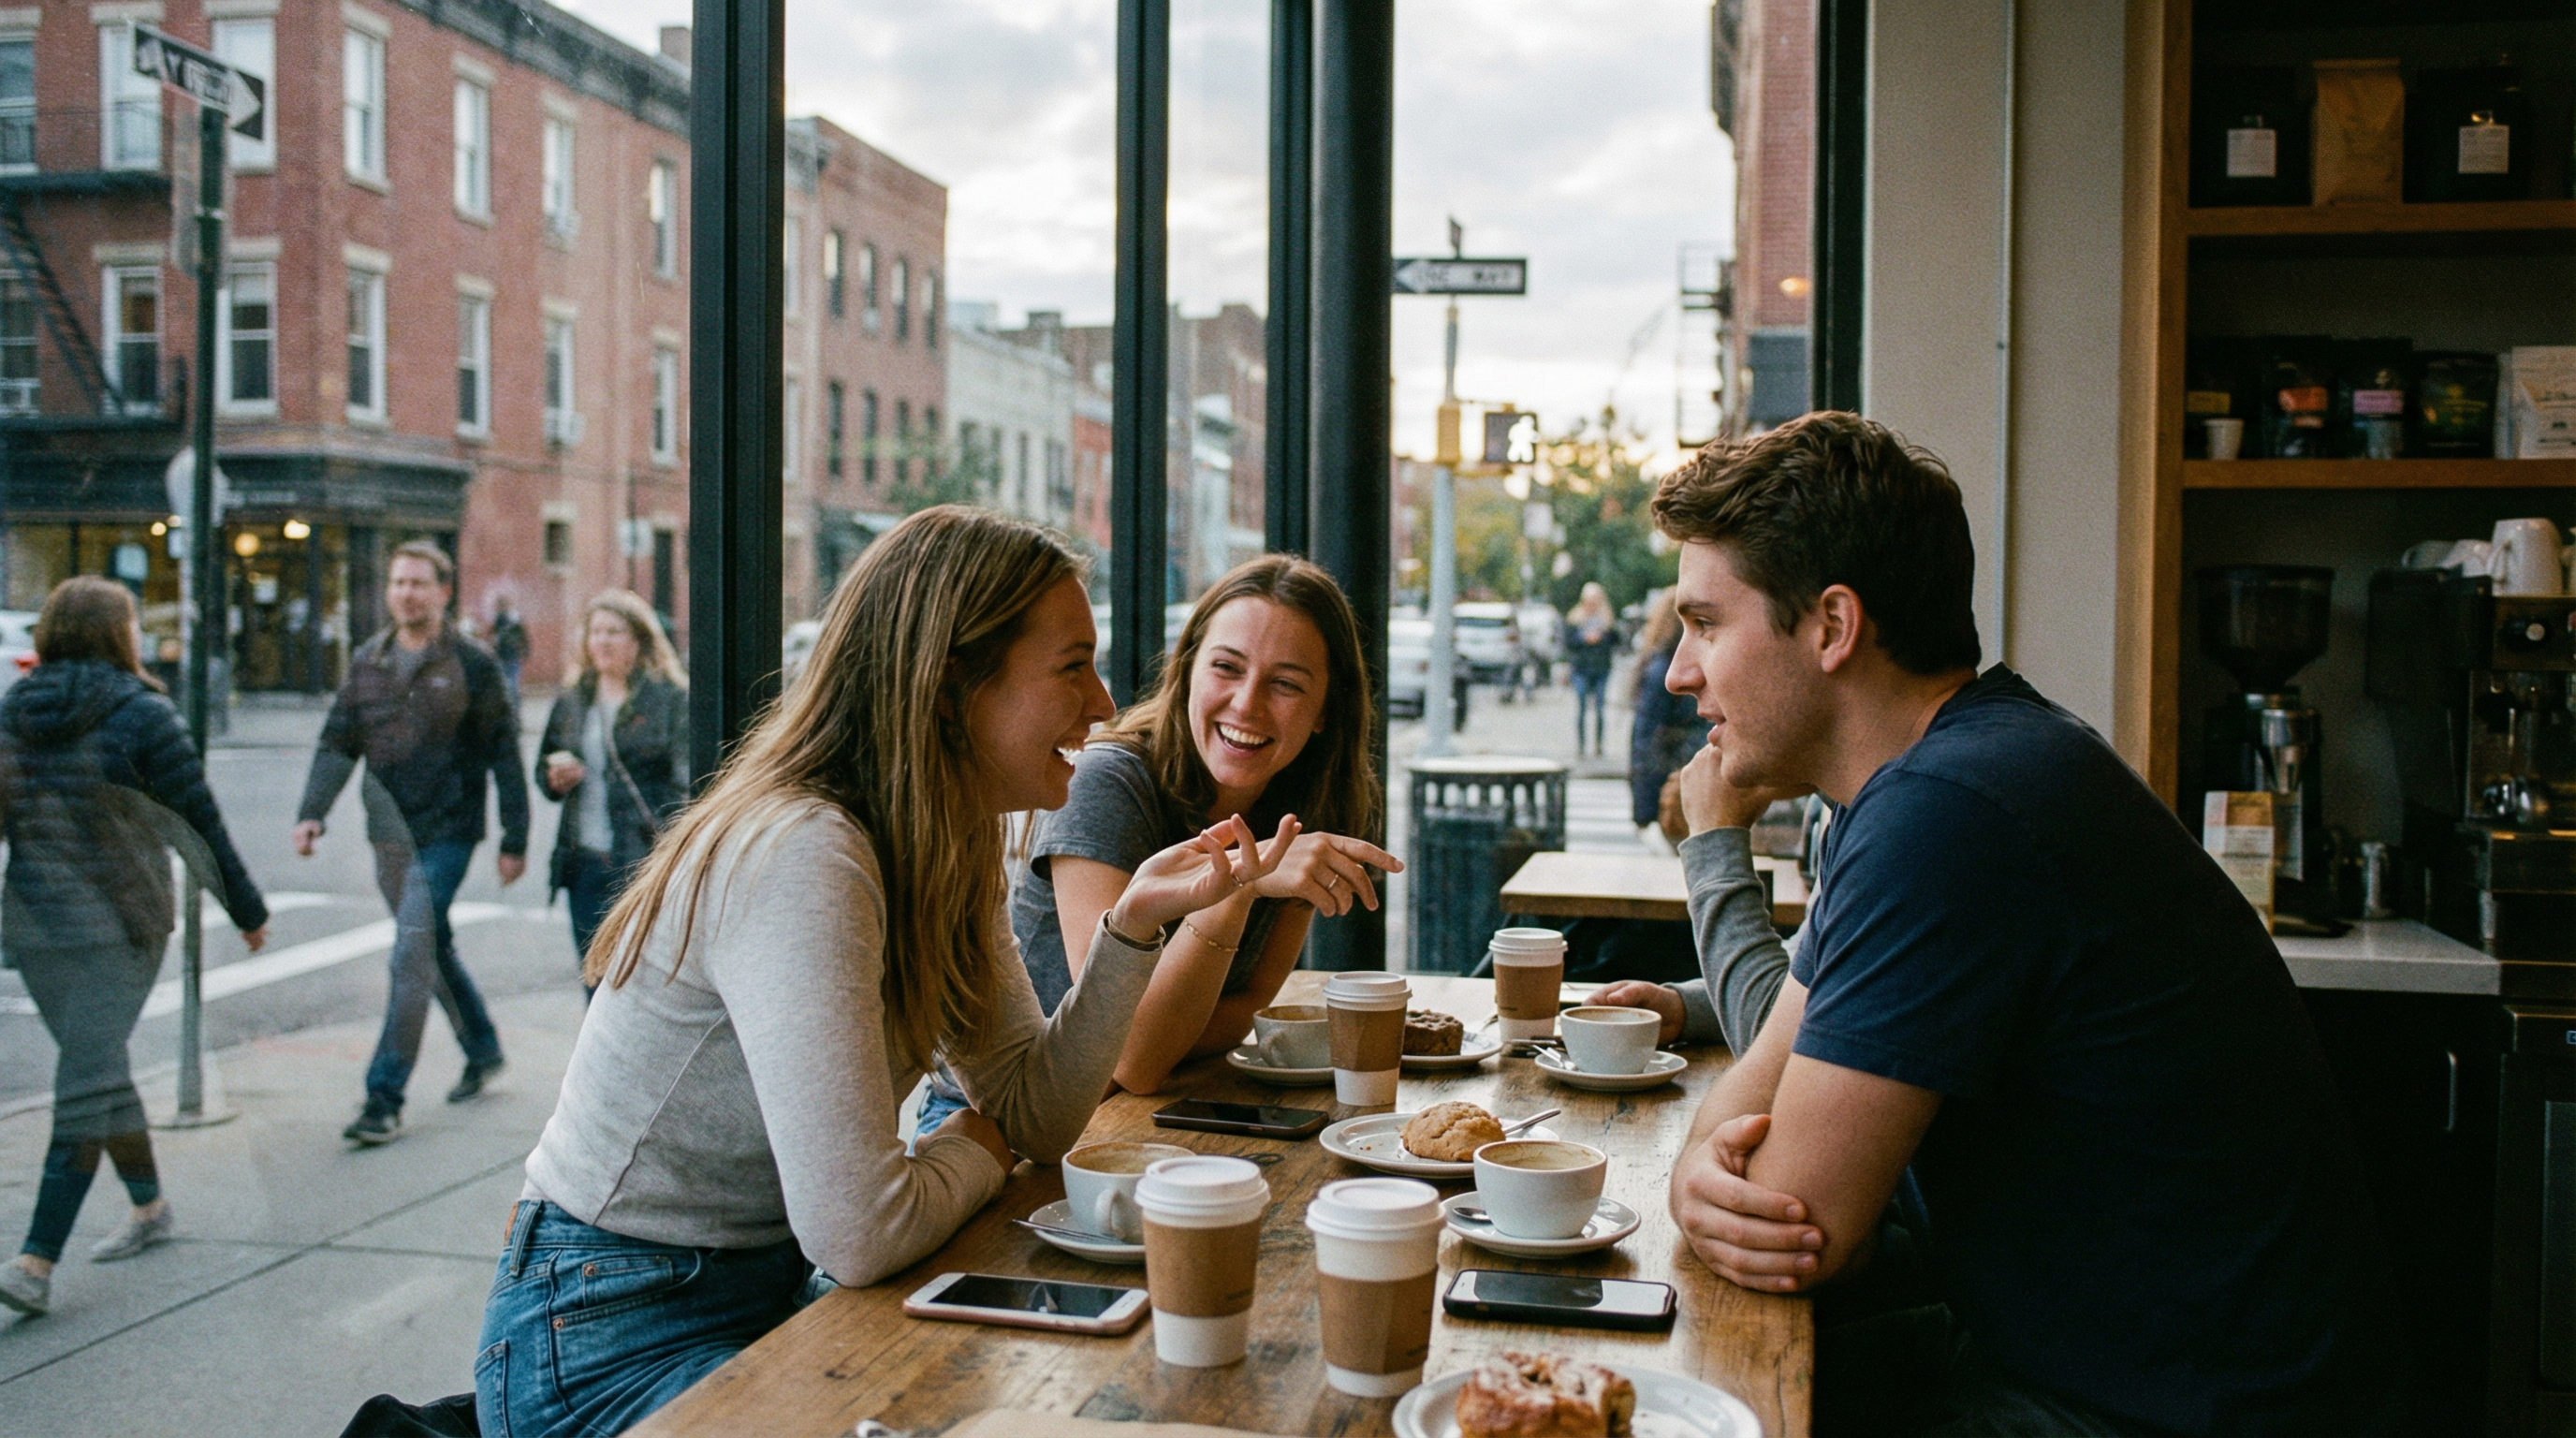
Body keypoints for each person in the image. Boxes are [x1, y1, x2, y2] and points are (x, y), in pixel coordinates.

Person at [1631, 413, 2412, 1434]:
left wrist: (1710, 1171)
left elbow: (1798, 1228)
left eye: (1706, 625)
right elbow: (1757, 1080)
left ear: (1831, 626)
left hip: (2168, 1413)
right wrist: (1698, 1168)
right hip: (2084, 1367)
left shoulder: (1950, 810)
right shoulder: (1942, 777)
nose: (1680, 673)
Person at [475, 506, 1289, 1438]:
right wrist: (975, 1148)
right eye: (1072, 666)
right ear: (950, 685)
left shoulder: (940, 834)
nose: (1103, 704)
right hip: (603, 1335)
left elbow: (1036, 1112)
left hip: (757, 1296)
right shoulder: (804, 854)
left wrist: (1132, 926)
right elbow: (863, 1230)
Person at [916, 555, 1395, 1130]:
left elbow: (1250, 1010)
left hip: (1152, 1109)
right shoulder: (1107, 782)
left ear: (1325, 712)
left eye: (1287, 684)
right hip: (986, 1129)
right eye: (1226, 668)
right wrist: (1241, 886)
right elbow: (1133, 1058)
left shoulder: (1304, 804)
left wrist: (1171, 1030)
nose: (1246, 704)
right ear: (1187, 670)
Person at [0, 580, 269, 1318]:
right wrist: (246, 910)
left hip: (36, 927)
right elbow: (199, 821)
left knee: (86, 1071)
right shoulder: (144, 713)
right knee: (98, 1073)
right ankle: (147, 1209)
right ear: (121, 636)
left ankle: (36, 1257)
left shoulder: (14, 711)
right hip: (125, 925)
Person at [293, 540, 528, 1145]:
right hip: (388, 836)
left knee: (410, 954)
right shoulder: (368, 661)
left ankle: (383, 1097)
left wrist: (515, 836)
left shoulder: (474, 665)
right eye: (399, 582)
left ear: (443, 591)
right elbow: (337, 740)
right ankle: (483, 1047)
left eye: (420, 583)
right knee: (430, 948)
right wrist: (312, 812)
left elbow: (504, 752)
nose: (407, 593)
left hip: (450, 829)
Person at [534, 591, 689, 982]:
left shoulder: (668, 700)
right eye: (595, 631)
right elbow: (544, 767)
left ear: (639, 641)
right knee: (595, 979)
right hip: (583, 860)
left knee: (642, 981)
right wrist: (553, 777)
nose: (602, 641)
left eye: (614, 632)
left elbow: (687, 783)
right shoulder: (573, 699)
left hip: (641, 861)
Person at [1627, 591, 1707, 854]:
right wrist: (1646, 809)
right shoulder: (1665, 669)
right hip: (1676, 786)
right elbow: (1646, 739)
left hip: (1682, 782)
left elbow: (1643, 739)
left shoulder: (1662, 665)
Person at [1564, 582, 1616, 756]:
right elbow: (1568, 642)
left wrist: (1602, 636)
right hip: (1581, 668)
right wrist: (1583, 639)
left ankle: (1599, 745)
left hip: (1601, 669)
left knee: (1600, 708)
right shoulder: (1575, 619)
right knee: (1582, 707)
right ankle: (1581, 745)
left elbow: (1616, 640)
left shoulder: (1606, 619)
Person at [488, 597, 527, 701]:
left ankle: (513, 708)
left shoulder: (509, 619)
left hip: (506, 656)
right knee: (512, 684)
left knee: (509, 685)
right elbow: (523, 637)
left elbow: (522, 637)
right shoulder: (512, 619)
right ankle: (514, 708)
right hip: (509, 656)